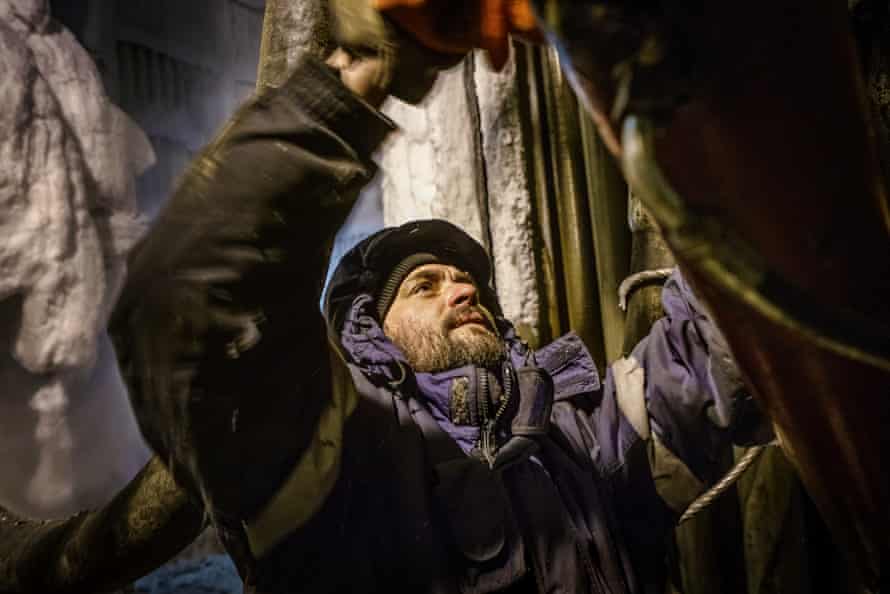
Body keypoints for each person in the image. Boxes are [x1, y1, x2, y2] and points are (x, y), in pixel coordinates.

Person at [109, 14, 770, 594]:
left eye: (470, 285)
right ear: (372, 332)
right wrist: (358, 77)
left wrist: (706, 129)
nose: (463, 291)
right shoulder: (342, 464)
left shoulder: (578, 433)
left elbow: (726, 353)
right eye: (425, 285)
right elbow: (181, 308)